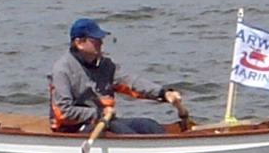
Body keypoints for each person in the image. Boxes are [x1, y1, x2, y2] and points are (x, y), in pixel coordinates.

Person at [49, 18, 184, 134]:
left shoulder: (105, 65)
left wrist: (163, 93)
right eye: (95, 40)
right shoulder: (62, 70)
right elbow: (64, 111)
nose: (101, 43)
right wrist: (98, 113)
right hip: (72, 127)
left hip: (103, 120)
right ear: (79, 43)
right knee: (120, 130)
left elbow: (130, 83)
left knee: (148, 125)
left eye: (101, 39)